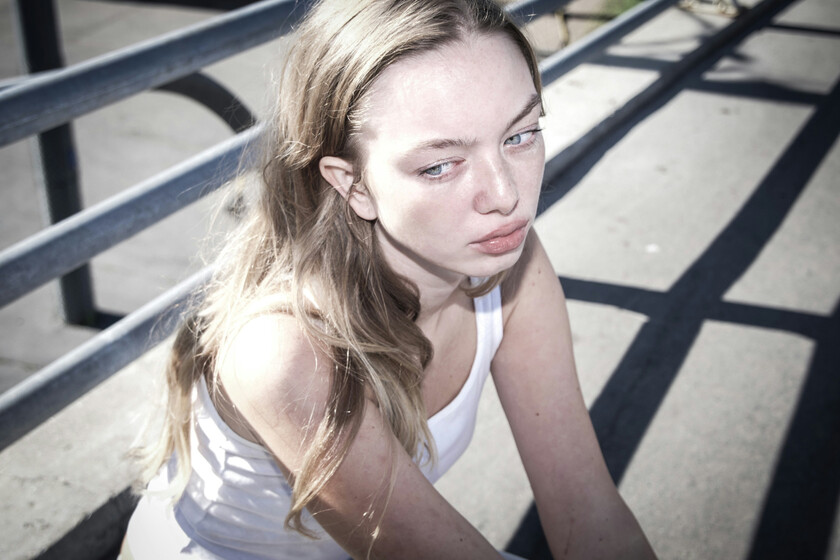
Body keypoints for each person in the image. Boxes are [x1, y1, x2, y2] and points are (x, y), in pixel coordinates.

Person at [123, 0, 657, 558]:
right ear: (352, 184)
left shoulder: (508, 264)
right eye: (439, 166)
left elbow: (586, 511)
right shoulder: (285, 352)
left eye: (520, 135)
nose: (506, 196)